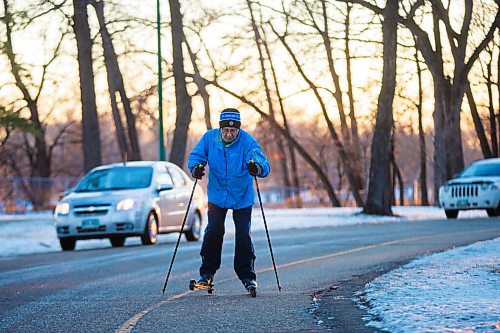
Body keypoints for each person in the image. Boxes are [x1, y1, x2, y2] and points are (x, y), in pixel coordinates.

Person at [188, 108, 270, 291]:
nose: (229, 133)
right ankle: (207, 273)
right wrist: (196, 169)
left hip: (242, 196)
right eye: (226, 130)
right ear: (221, 128)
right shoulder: (210, 138)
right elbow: (196, 156)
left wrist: (257, 168)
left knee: (243, 233)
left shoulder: (247, 141)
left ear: (239, 130)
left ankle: (247, 276)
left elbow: (263, 163)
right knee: (214, 230)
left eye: (233, 131)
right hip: (217, 195)